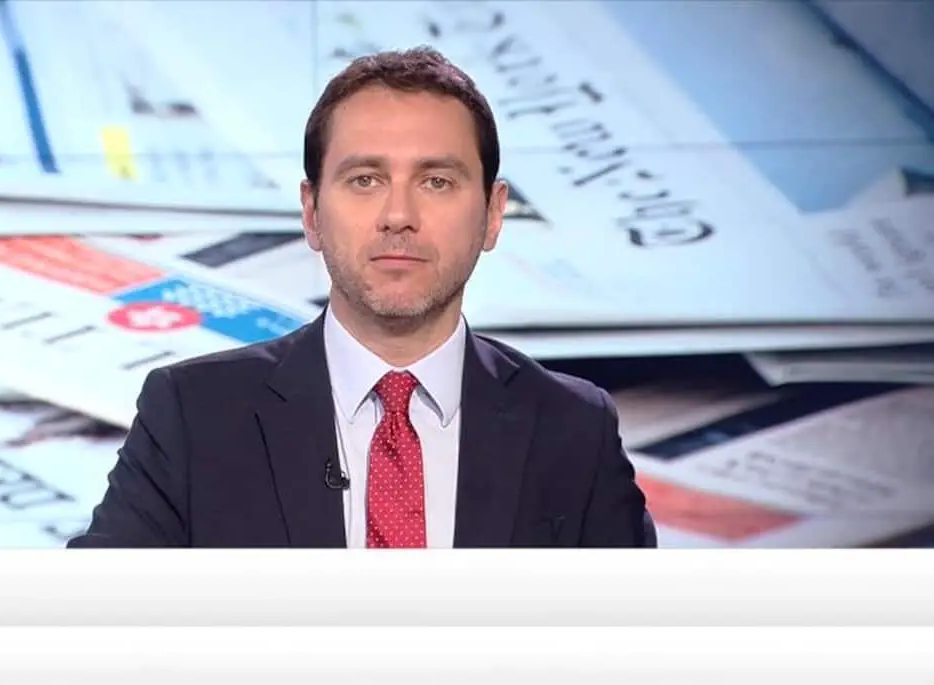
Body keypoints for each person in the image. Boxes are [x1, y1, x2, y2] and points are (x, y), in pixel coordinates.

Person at [69, 47, 655, 548]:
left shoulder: (573, 430)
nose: (398, 216)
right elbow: (91, 618)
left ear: (493, 214)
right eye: (365, 180)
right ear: (311, 212)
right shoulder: (194, 415)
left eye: (437, 181)